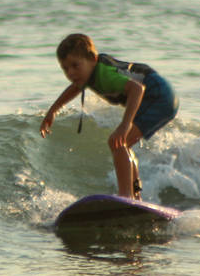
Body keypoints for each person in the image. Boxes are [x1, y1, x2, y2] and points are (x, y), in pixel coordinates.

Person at [40, 33, 178, 199]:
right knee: (122, 144)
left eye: (75, 66)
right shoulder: (89, 74)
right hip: (158, 96)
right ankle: (134, 196)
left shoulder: (104, 74)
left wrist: (124, 125)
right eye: (65, 68)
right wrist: (52, 111)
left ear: (92, 59)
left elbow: (137, 89)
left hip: (158, 95)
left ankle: (126, 195)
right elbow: (74, 88)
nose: (70, 73)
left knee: (118, 142)